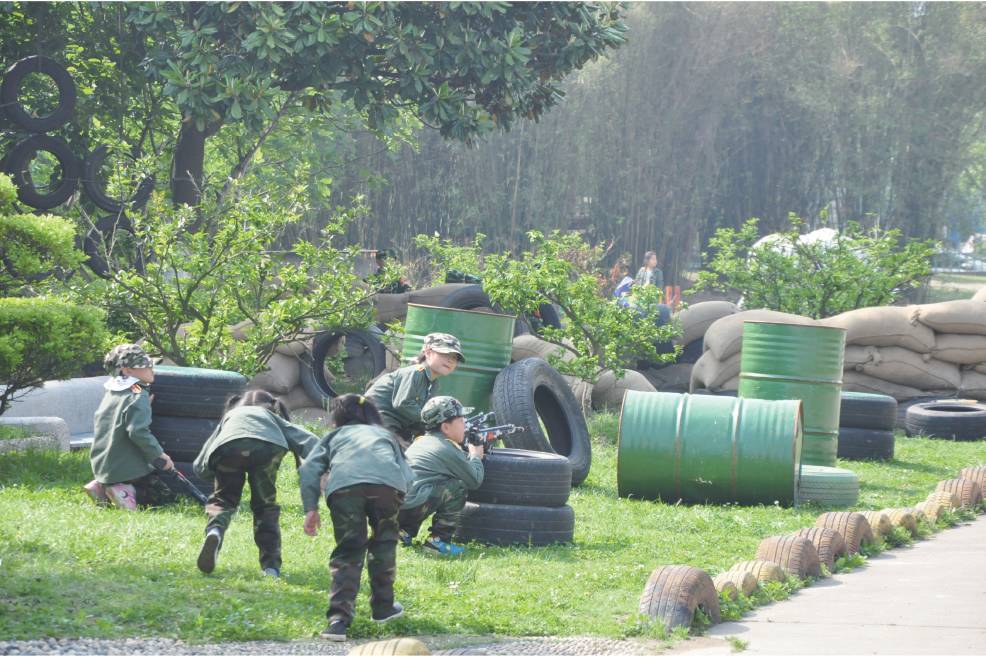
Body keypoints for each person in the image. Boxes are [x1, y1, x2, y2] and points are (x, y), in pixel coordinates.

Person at [298, 394, 413, 642]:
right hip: (387, 487)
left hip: (345, 488)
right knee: (383, 544)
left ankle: (338, 621)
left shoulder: (335, 436)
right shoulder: (385, 435)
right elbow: (408, 472)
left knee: (349, 550)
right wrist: (399, 501)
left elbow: (309, 467)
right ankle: (383, 608)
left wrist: (311, 507)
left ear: (338, 417)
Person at [192, 389, 319, 578]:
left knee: (223, 500)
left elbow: (199, 465)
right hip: (267, 448)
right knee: (265, 507)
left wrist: (217, 474)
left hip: (229, 446)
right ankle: (271, 568)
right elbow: (310, 441)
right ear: (273, 406)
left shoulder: (230, 416)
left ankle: (215, 532)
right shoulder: (270, 416)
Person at [84, 344, 177, 510]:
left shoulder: (114, 392)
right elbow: (138, 432)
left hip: (103, 466)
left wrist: (142, 405)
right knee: (164, 496)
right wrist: (160, 456)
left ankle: (101, 486)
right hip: (125, 469)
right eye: (145, 366)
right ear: (127, 371)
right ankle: (124, 492)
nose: (152, 369)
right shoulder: (138, 395)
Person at [397, 396, 485, 557]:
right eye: (460, 421)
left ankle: (402, 533)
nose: (464, 425)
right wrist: (475, 455)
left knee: (423, 486)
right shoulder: (447, 448)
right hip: (411, 504)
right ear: (445, 427)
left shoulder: (421, 441)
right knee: (457, 486)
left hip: (392, 507)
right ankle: (438, 542)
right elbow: (474, 480)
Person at [363, 332, 465, 445]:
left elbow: (420, 414)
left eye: (455, 358)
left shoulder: (433, 383)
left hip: (394, 426)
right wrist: (434, 420)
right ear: (428, 352)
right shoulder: (416, 372)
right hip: (376, 421)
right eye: (444, 354)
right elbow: (402, 404)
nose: (450, 360)